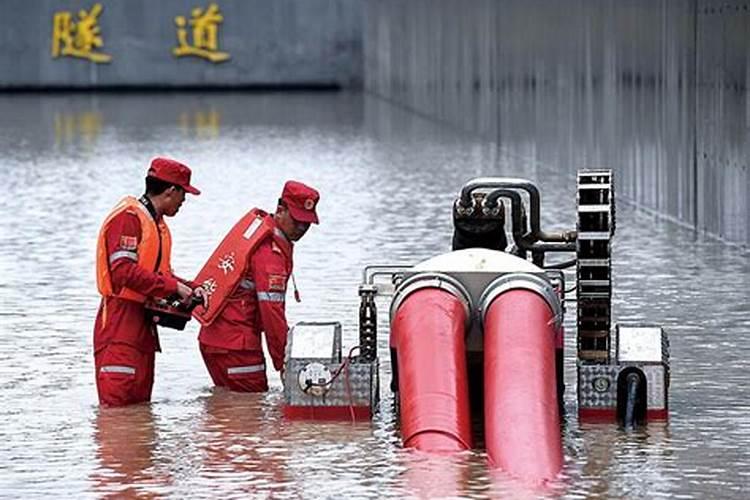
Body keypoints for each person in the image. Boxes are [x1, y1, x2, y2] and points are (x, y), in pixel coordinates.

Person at [93, 157, 204, 406]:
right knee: (117, 413)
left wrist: (190, 287)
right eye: (184, 194)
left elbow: (158, 275)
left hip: (142, 330)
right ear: (170, 191)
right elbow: (122, 272)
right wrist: (174, 288)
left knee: (139, 415)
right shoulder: (128, 218)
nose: (184, 202)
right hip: (119, 327)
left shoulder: (155, 224)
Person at [198, 180, 320, 392]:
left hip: (214, 339)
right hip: (238, 346)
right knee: (250, 415)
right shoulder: (269, 253)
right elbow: (272, 313)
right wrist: (285, 364)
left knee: (229, 410)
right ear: (280, 210)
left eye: (307, 223)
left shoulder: (261, 233)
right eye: (298, 221)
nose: (302, 229)